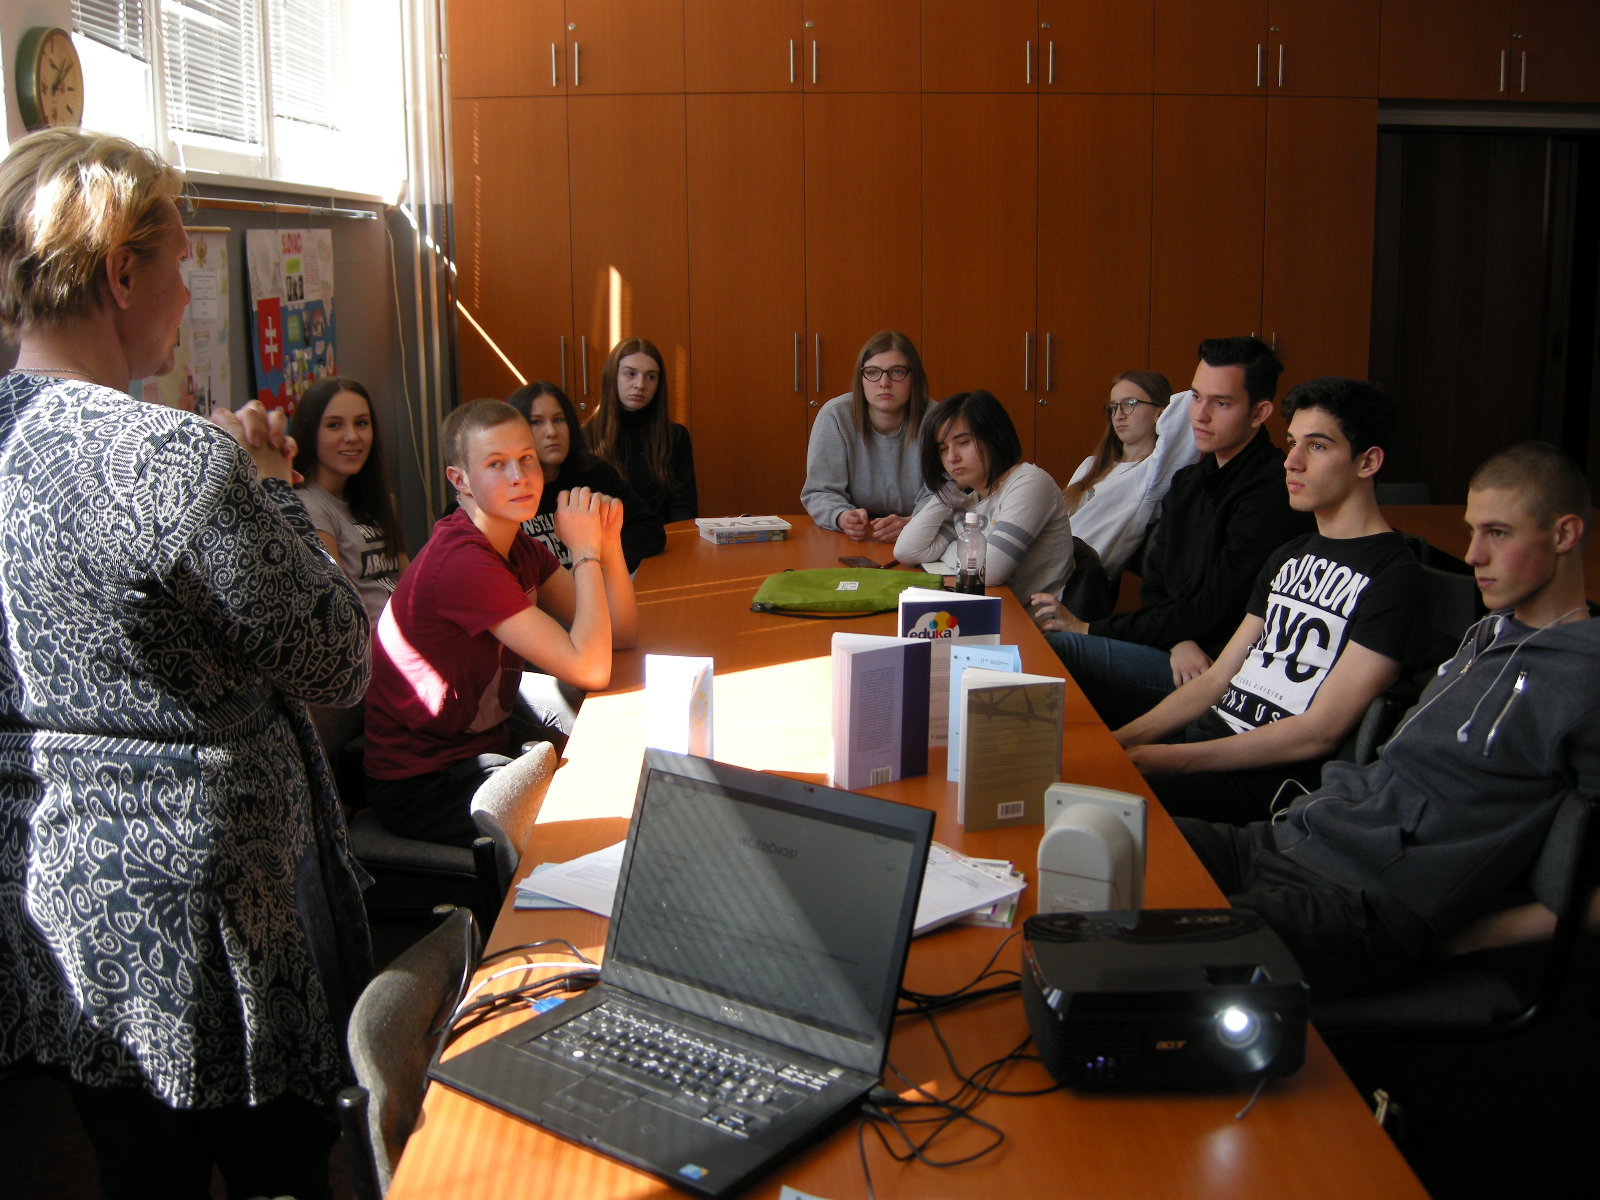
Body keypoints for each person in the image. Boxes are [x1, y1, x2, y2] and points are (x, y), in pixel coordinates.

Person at [0, 130, 372, 1199]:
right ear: (122, 274)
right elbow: (337, 657)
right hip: (215, 918)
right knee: (280, 1173)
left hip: (55, 891)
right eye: (180, 262)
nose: (185, 289)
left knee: (137, 1172)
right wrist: (269, 484)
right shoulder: (173, 457)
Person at [1177, 442, 1599, 998]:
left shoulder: (1585, 675)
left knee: (1150, 947)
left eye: (1497, 533)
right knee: (1108, 843)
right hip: (1287, 840)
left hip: (1361, 901)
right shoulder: (1487, 634)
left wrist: (1475, 938)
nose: (1472, 555)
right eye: (1472, 531)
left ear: (1564, 535)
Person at [1115, 377, 1425, 824]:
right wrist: (1121, 741)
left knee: (1086, 801)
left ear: (1368, 462)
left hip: (1262, 784)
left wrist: (1173, 760)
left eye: (1317, 446)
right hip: (1206, 745)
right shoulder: (1289, 555)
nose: (1292, 462)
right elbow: (1218, 677)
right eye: (1293, 443)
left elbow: (1319, 732)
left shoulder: (1394, 577)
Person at [364, 399, 638, 846]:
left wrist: (606, 541)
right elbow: (591, 667)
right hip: (424, 781)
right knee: (591, 804)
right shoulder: (463, 562)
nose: (519, 476)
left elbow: (621, 635)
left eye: (527, 458)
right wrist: (584, 552)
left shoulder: (517, 545)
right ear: (460, 481)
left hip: (483, 745)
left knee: (611, 760)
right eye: (496, 464)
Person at [1031, 336, 1312, 728]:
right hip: (1181, 648)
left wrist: (1090, 628)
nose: (1201, 415)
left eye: (1221, 403)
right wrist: (1179, 641)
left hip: (1220, 671)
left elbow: (1215, 608)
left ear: (1259, 413)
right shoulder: (1188, 482)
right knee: (1041, 650)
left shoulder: (1272, 495)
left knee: (1058, 651)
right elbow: (1157, 583)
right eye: (1196, 397)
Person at [893, 389, 1073, 603]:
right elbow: (906, 551)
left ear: (993, 436)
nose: (952, 457)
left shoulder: (1029, 483)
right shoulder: (968, 499)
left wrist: (949, 552)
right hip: (987, 607)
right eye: (943, 449)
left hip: (1032, 618)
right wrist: (948, 492)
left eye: (963, 442)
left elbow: (988, 572)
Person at [509, 380, 666, 571]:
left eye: (558, 420)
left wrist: (597, 559)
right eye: (536, 422)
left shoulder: (592, 472)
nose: (551, 432)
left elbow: (650, 530)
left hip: (598, 584)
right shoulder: (509, 489)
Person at [290, 375, 408, 626]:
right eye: (334, 425)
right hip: (368, 642)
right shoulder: (308, 507)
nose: (352, 436)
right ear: (311, 433)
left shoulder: (381, 499)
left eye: (361, 423)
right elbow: (342, 610)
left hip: (408, 632)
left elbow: (409, 583)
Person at [1062, 369, 1197, 583]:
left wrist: (1168, 413)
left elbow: (1191, 403)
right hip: (1047, 566)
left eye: (1129, 403)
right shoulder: (1090, 465)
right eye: (1113, 407)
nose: (1118, 415)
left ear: (1160, 413)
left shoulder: (1153, 472)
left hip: (1073, 583)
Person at [800, 330, 931, 542]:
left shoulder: (937, 420)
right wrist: (841, 516)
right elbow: (819, 491)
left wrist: (912, 522)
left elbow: (945, 495)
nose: (884, 382)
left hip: (918, 535)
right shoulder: (835, 416)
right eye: (872, 372)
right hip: (853, 537)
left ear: (913, 377)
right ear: (860, 378)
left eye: (897, 371)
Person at [584, 336, 697, 524]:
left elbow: (684, 507)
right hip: (607, 538)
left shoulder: (676, 437)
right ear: (613, 376)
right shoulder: (587, 436)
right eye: (630, 374)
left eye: (651, 377)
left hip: (666, 538)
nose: (640, 385)